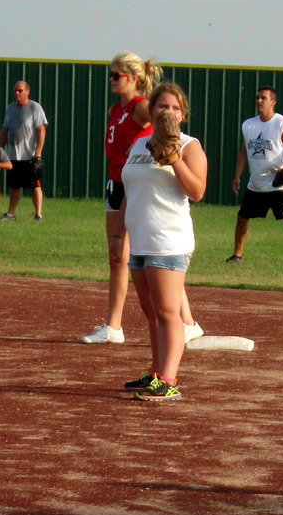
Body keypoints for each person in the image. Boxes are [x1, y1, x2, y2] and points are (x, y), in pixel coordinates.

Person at [81, 52, 202, 345]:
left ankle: (184, 322)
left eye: (116, 75)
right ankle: (115, 324)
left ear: (133, 78)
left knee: (157, 258)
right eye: (111, 74)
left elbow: (167, 128)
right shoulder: (116, 109)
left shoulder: (140, 106)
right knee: (120, 256)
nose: (111, 79)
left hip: (143, 182)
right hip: (122, 181)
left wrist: (169, 148)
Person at [119, 82, 207, 402]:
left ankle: (169, 380)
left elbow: (197, 191)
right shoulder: (140, 145)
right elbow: (131, 191)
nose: (167, 111)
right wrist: (120, 235)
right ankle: (156, 373)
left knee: (169, 311)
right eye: (161, 106)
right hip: (140, 240)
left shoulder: (188, 145)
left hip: (168, 239)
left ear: (182, 115)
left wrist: (174, 159)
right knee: (151, 311)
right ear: (151, 111)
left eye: (173, 107)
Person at [227, 86, 283, 265]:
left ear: (273, 102)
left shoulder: (281, 123)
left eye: (263, 98)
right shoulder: (249, 124)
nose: (259, 101)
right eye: (258, 98)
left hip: (278, 183)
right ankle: (237, 255)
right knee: (242, 218)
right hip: (256, 183)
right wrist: (237, 175)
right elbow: (244, 151)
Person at [0, 80, 48, 221]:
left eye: (20, 90)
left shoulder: (34, 107)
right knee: (15, 185)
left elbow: (41, 130)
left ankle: (38, 214)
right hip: (13, 153)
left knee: (34, 185)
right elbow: (5, 130)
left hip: (29, 154)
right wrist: (1, 150)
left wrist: (38, 153)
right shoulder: (11, 108)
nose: (17, 93)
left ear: (27, 91)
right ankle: (11, 213)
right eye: (15, 91)